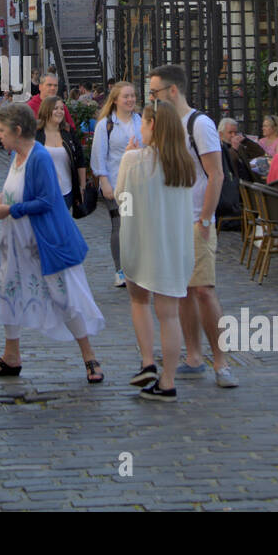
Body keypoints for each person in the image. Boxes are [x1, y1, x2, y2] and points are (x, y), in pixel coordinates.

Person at [0, 103, 105, 384]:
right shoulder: (17, 157)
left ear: (17, 131)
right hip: (17, 243)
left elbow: (47, 200)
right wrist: (2, 199)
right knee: (9, 293)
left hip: (42, 243)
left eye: (1, 131)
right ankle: (11, 355)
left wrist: (10, 210)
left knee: (64, 296)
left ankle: (89, 357)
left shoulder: (37, 157)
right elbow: (18, 190)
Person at [148, 64, 238, 387]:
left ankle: (221, 361)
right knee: (182, 290)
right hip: (172, 219)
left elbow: (216, 174)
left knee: (203, 289)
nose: (152, 99)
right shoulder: (164, 125)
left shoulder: (200, 125)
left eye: (155, 93)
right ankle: (193, 355)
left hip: (196, 218)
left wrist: (204, 218)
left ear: (173, 91)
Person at [117, 101, 199, 400]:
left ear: (152, 125)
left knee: (139, 302)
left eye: (143, 122)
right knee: (170, 315)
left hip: (142, 241)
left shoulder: (134, 160)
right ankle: (168, 378)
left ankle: (148, 361)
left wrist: (127, 159)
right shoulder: (184, 162)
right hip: (175, 246)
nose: (140, 127)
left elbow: (120, 199)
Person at [91, 81, 144, 288]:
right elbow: (99, 155)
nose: (130, 100)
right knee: (120, 225)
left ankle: (136, 266)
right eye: (126, 96)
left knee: (135, 225)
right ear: (115, 100)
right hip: (117, 183)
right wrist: (104, 182)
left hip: (138, 183)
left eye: (132, 96)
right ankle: (120, 269)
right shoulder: (106, 124)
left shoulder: (139, 121)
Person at [34, 96, 88, 215]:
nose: (60, 112)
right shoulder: (35, 134)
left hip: (66, 191)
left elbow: (80, 159)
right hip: (42, 192)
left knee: (60, 228)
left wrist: (82, 186)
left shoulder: (68, 133)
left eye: (62, 109)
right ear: (46, 110)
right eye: (55, 108)